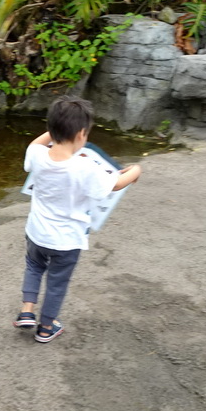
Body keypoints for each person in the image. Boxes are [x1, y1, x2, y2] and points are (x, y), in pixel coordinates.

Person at [14, 95, 141, 343]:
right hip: (67, 241)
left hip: (37, 233)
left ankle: (27, 310)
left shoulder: (37, 154)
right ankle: (46, 327)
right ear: (82, 133)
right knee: (57, 282)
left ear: (51, 129)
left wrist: (53, 130)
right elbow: (116, 184)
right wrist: (136, 171)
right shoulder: (86, 168)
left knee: (34, 266)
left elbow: (35, 144)